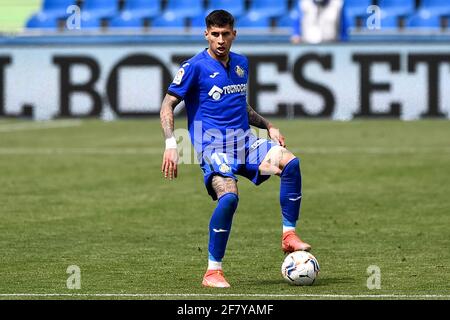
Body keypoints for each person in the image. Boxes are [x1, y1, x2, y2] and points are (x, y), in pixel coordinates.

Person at [160, 9, 311, 288]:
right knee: (229, 198)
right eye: (215, 34)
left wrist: (267, 125)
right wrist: (171, 143)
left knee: (290, 163)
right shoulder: (194, 66)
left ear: (234, 34)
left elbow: (239, 104)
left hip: (245, 143)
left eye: (225, 34)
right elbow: (167, 105)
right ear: (206, 34)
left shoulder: (241, 63)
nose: (220, 40)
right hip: (212, 147)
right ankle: (212, 271)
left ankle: (289, 235)